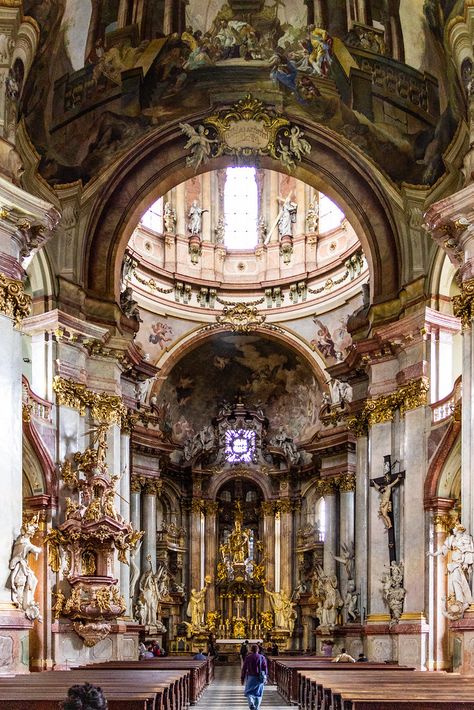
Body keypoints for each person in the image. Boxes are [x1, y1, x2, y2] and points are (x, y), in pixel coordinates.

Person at [241, 643, 268, 710]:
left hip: (251, 677)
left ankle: (251, 704)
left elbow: (244, 668)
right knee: (258, 694)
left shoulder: (248, 657)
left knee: (249, 692)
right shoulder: (262, 657)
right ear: (258, 650)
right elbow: (265, 668)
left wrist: (242, 678)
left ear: (251, 650)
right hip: (260, 677)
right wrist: (266, 677)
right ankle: (256, 708)